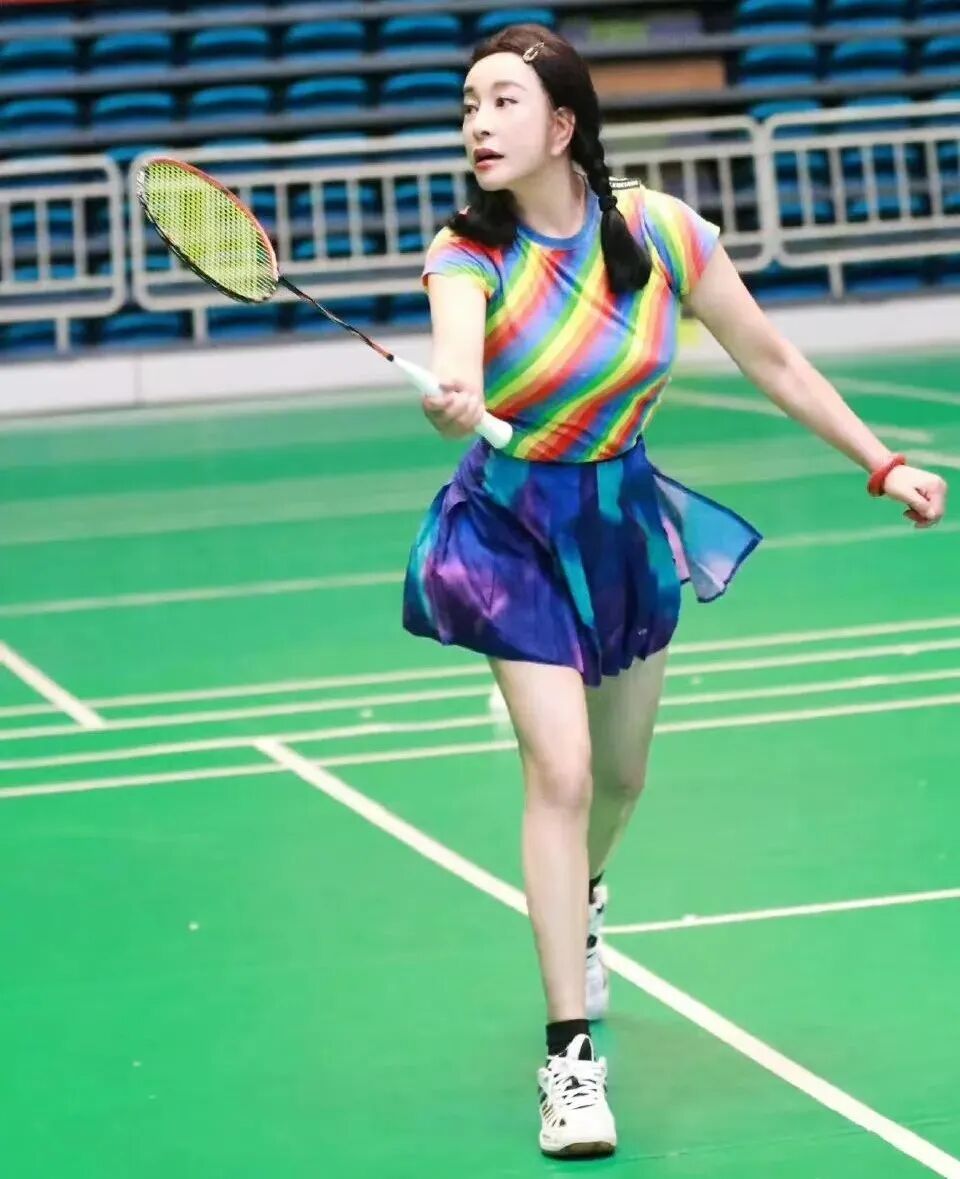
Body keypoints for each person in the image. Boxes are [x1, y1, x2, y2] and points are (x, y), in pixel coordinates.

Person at [401, 23, 948, 1160]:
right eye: (467, 106)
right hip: (511, 527)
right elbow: (457, 369)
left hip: (622, 518)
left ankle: (587, 891)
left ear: (563, 125)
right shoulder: (467, 254)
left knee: (622, 777)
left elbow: (772, 358)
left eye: (502, 102)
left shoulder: (658, 231)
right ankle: (569, 1064)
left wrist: (880, 460)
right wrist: (453, 398)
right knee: (561, 771)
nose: (477, 125)